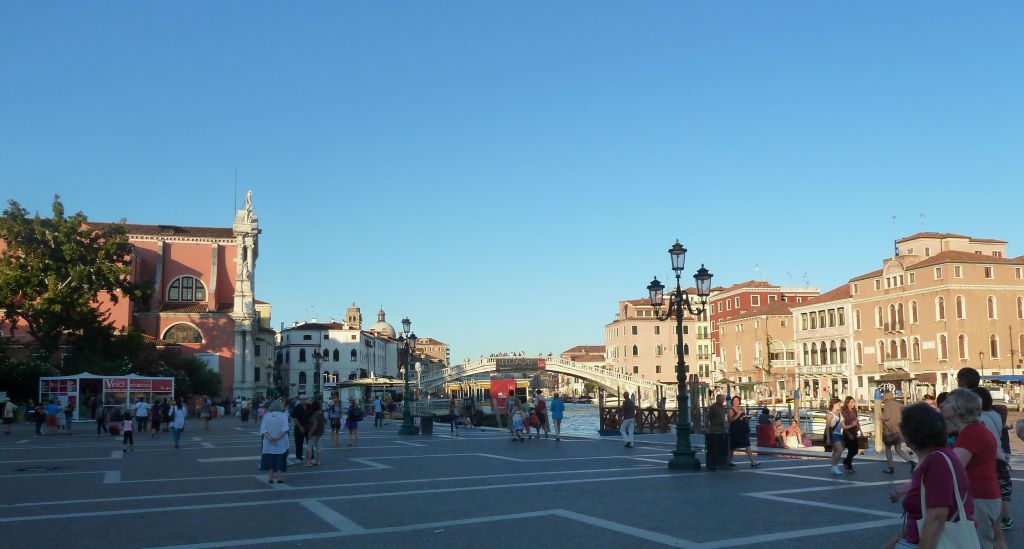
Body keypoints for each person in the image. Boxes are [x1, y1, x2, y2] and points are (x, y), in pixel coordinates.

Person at [883, 403, 978, 549]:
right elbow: (920, 515)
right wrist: (895, 540)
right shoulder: (938, 456)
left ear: (911, 433)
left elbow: (937, 516)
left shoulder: (937, 461)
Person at [942, 388, 1006, 548]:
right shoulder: (979, 429)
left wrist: (911, 486)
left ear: (960, 407)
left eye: (948, 402)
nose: (942, 404)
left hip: (978, 497)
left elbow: (951, 468)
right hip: (988, 495)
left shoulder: (970, 433)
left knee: (978, 543)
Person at [881, 390, 915, 474]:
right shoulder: (897, 404)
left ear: (886, 395)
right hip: (897, 429)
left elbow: (887, 417)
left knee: (888, 449)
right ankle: (910, 461)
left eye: (884, 395)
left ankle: (890, 467)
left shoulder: (887, 404)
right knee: (898, 449)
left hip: (889, 430)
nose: (883, 397)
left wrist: (881, 416)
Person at [259, 400, 290, 484]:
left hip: (268, 442)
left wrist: (269, 438)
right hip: (281, 442)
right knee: (280, 459)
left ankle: (270, 477)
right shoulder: (284, 415)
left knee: (270, 459)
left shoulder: (266, 416)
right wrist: (277, 438)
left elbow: (263, 429)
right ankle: (279, 477)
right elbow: (285, 429)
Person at [727, 396, 759, 467]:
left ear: (739, 401)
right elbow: (730, 420)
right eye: (734, 401)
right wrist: (738, 414)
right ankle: (728, 461)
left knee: (747, 445)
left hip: (742, 429)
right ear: (732, 402)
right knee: (732, 447)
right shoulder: (731, 410)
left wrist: (746, 419)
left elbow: (743, 418)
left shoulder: (742, 408)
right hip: (734, 430)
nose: (736, 402)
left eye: (737, 401)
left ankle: (752, 462)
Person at [840, 396, 861, 473]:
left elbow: (856, 420)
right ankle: (849, 465)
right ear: (847, 403)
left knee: (855, 450)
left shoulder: (854, 410)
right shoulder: (844, 412)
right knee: (851, 449)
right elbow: (843, 424)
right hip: (847, 432)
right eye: (851, 402)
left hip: (854, 431)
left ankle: (846, 461)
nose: (853, 404)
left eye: (854, 402)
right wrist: (849, 432)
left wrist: (858, 427)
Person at [825, 398, 845, 475]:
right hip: (833, 435)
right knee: (840, 449)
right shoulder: (830, 415)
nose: (840, 405)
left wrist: (851, 425)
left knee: (835, 451)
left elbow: (842, 425)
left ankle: (833, 467)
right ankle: (835, 466)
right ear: (834, 404)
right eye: (839, 404)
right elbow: (827, 427)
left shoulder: (840, 414)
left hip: (839, 434)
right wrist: (828, 438)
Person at [292, 397, 309, 462]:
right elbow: (294, 418)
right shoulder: (297, 408)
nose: (304, 400)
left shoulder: (309, 407)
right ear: (300, 400)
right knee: (299, 443)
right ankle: (299, 458)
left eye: (305, 399)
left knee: (310, 443)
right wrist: (300, 427)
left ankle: (310, 457)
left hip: (308, 427)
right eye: (302, 399)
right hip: (299, 428)